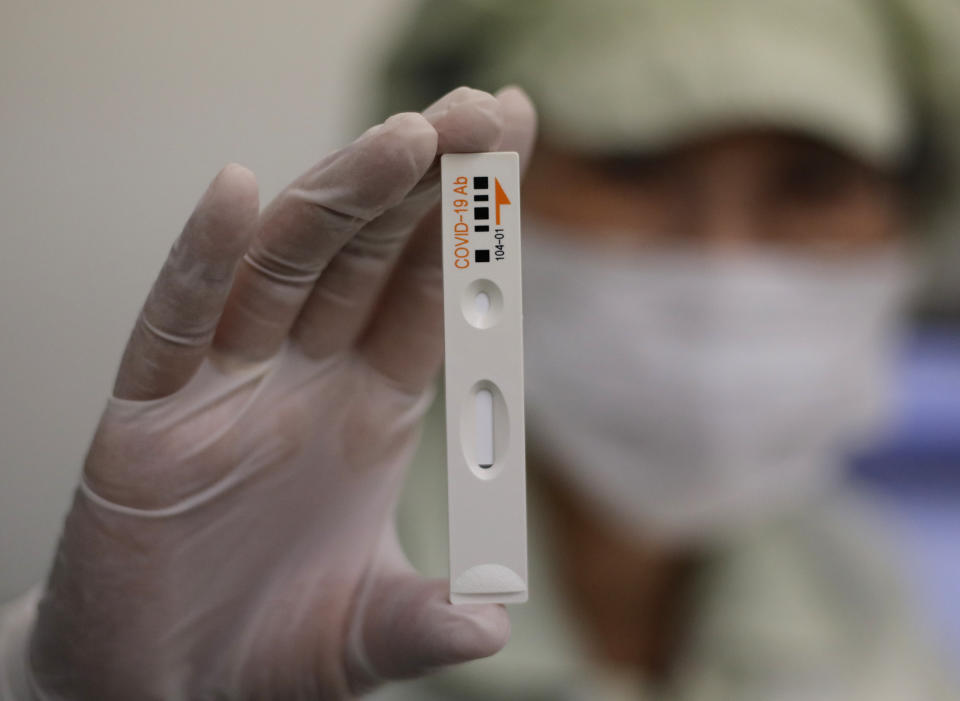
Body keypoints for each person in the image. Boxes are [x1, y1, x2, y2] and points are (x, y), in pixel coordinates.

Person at [0, 2, 957, 701]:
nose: (721, 261)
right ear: (484, 204)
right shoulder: (266, 570)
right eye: (632, 163)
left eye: (810, 180)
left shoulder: (857, 585)